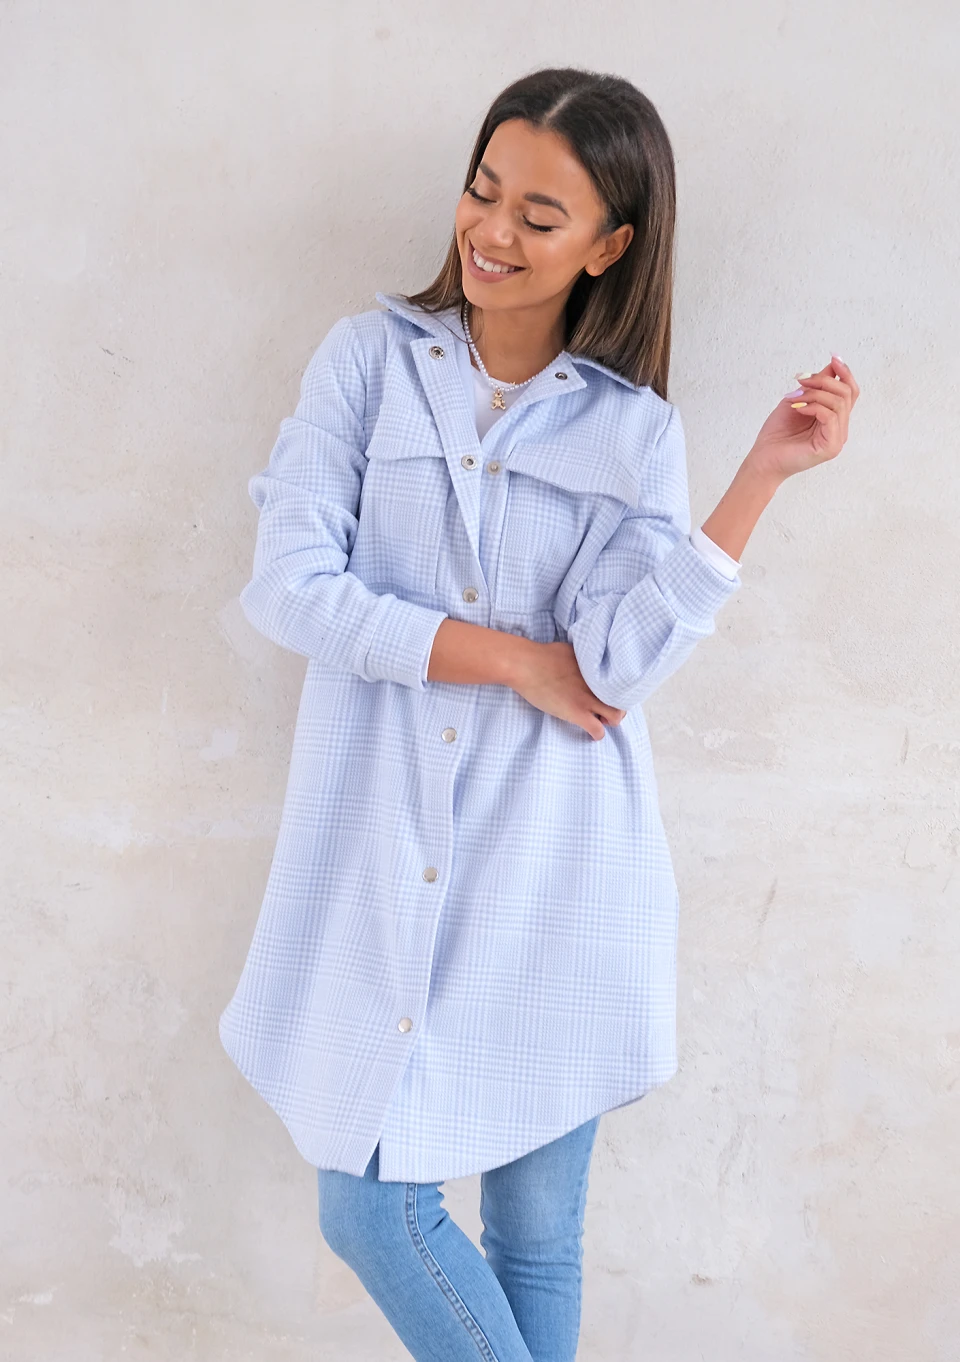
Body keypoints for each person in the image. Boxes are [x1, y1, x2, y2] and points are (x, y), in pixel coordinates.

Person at [219, 66, 858, 1362]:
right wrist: (511, 660)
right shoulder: (368, 366)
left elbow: (615, 666)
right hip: (382, 866)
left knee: (535, 1237)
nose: (492, 231)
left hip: (555, 875)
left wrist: (758, 477)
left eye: (540, 214)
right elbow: (292, 589)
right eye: (483, 190)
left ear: (609, 246)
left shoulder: (632, 433)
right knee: (373, 1206)